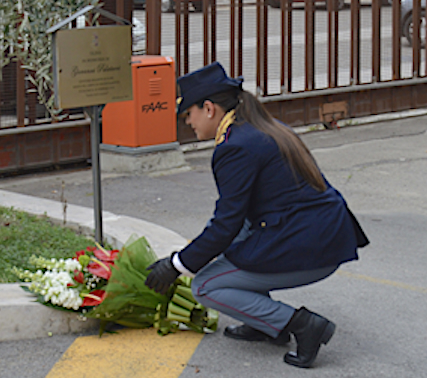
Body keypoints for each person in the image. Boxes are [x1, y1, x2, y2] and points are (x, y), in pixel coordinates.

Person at [144, 62, 369, 368]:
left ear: (208, 108)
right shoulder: (260, 128)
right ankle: (265, 324)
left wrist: (176, 265)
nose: (187, 123)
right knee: (238, 242)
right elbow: (235, 223)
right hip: (320, 233)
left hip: (310, 244)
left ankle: (302, 325)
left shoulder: (235, 146)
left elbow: (225, 224)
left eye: (188, 114)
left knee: (206, 286)